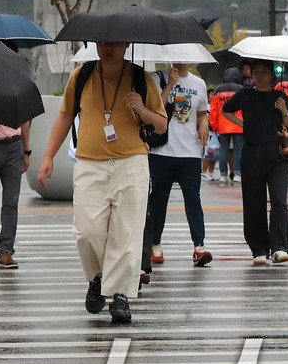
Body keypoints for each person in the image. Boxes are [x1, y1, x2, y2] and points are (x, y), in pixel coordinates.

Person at [38, 43, 167, 324]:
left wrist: (141, 109)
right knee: (87, 230)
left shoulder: (140, 79)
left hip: (131, 163)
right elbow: (64, 115)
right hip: (89, 163)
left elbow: (161, 125)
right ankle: (96, 278)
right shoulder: (81, 75)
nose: (107, 48)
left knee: (126, 232)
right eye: (102, 43)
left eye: (115, 43)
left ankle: (120, 295)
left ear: (126, 46)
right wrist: (48, 155)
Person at [222, 61, 288, 265]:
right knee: (254, 203)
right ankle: (259, 249)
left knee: (279, 200)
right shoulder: (245, 94)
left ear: (272, 75)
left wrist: (283, 110)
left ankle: (280, 247)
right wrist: (243, 124)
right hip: (252, 153)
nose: (260, 75)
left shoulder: (280, 96)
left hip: (278, 154)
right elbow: (226, 110)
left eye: (264, 72)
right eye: (256, 72)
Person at [143, 63, 212, 272]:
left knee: (193, 198)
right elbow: (155, 109)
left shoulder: (198, 83)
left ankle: (199, 246)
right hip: (162, 151)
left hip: (190, 152)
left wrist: (204, 124)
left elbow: (202, 113)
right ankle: (155, 245)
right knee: (158, 200)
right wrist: (171, 84)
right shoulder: (157, 78)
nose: (184, 60)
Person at [0, 119, 32, 269]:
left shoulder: (16, 95)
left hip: (14, 147)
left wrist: (27, 151)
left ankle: (6, 250)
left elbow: (24, 121)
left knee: (11, 202)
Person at [209, 69, 244, 183]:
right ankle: (238, 173)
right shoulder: (241, 89)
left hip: (223, 124)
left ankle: (223, 175)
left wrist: (213, 125)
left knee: (223, 149)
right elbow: (245, 108)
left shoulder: (218, 90)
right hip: (238, 123)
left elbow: (214, 109)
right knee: (238, 150)